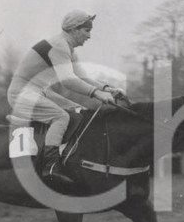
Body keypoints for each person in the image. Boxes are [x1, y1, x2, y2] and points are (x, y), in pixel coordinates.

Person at [7, 10, 125, 186]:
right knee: (61, 117)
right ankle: (50, 167)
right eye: (87, 31)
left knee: (79, 111)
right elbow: (68, 81)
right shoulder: (59, 45)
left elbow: (82, 78)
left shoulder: (68, 49)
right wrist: (97, 93)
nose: (89, 36)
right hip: (21, 93)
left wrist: (108, 88)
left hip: (38, 91)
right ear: (74, 29)